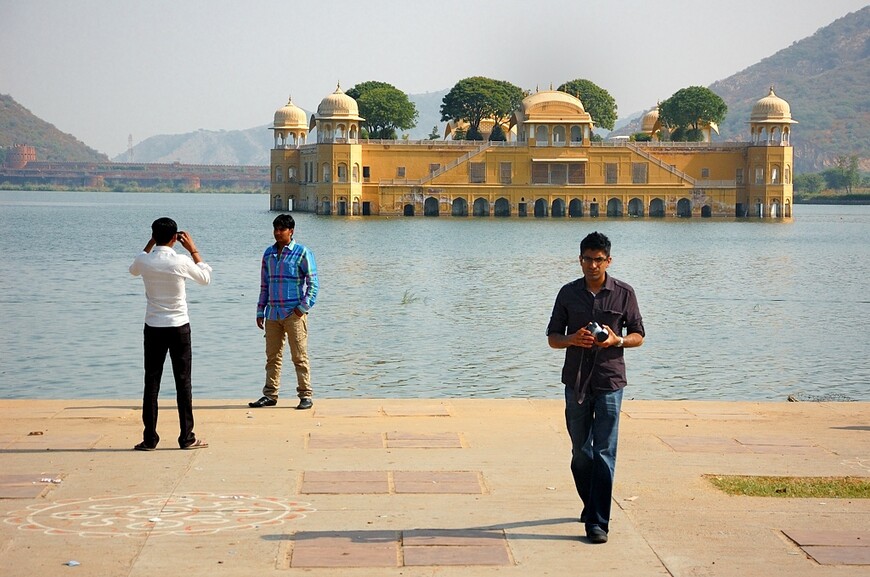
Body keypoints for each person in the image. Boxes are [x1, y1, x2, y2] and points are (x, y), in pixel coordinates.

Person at [546, 231, 645, 544]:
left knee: (604, 452)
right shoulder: (567, 294)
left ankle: (597, 522)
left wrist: (617, 339)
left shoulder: (624, 293)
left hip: (610, 380)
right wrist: (572, 339)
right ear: (580, 260)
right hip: (576, 382)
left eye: (598, 260)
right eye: (587, 259)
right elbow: (552, 338)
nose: (592, 265)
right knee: (581, 453)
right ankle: (592, 503)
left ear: (608, 261)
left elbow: (639, 334)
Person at [129, 217, 212, 450]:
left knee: (151, 383)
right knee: (183, 382)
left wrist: (149, 244)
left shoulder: (145, 261)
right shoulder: (181, 260)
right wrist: (193, 249)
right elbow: (205, 278)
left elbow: (133, 268)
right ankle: (186, 437)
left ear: (154, 236)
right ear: (176, 238)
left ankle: (149, 438)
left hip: (153, 326)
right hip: (178, 327)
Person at [249, 214, 318, 410]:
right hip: (272, 314)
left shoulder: (302, 252)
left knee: (299, 356)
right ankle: (270, 394)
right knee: (272, 356)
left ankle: (305, 395)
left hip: (293, 314)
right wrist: (260, 311)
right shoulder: (269, 254)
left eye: (282, 229)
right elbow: (265, 284)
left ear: (291, 231)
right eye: (276, 229)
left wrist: (301, 309)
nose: (278, 233)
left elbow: (313, 284)